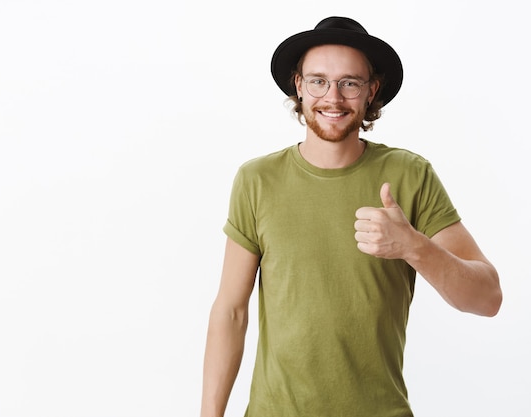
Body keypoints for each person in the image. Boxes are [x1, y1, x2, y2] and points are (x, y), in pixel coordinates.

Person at [200, 16, 502, 417]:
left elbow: (488, 299)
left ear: (371, 90)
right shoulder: (257, 180)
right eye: (318, 81)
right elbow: (231, 311)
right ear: (299, 86)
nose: (333, 98)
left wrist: (414, 246)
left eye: (350, 83)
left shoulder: (410, 175)